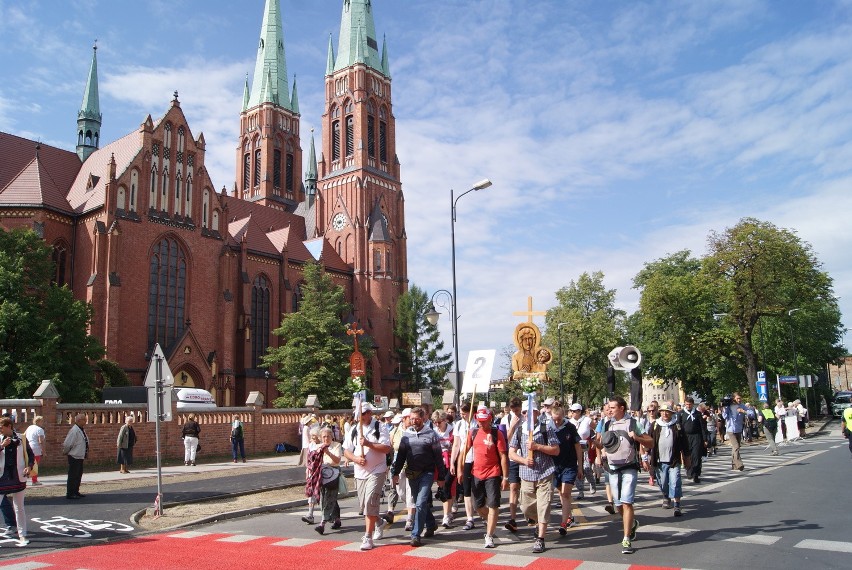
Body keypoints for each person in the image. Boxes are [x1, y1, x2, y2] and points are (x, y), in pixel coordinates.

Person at [594, 395, 652, 555]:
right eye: (608, 407)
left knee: (627, 502)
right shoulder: (606, 423)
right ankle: (632, 524)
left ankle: (626, 538)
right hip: (612, 467)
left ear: (621, 408)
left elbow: (650, 442)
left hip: (629, 467)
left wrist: (638, 437)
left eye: (612, 407)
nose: (609, 410)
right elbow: (602, 444)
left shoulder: (633, 423)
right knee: (618, 504)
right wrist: (594, 442)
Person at [508, 398, 560, 554]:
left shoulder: (545, 428)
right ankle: (536, 522)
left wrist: (537, 446)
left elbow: (556, 450)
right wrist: (523, 460)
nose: (527, 415)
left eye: (531, 412)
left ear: (537, 413)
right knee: (526, 507)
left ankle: (540, 539)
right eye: (525, 412)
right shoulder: (519, 430)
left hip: (545, 473)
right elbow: (511, 452)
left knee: (543, 505)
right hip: (526, 475)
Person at [391, 407, 446, 547]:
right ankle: (431, 523)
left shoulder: (431, 434)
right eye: (412, 418)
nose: (414, 421)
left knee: (420, 503)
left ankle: (415, 534)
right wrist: (395, 473)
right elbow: (401, 456)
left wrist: (441, 476)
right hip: (412, 473)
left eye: (417, 418)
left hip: (427, 473)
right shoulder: (406, 435)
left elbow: (438, 456)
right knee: (419, 502)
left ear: (423, 419)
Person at [343, 402, 392, 551]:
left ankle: (368, 537)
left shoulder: (380, 427)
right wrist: (355, 459)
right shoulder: (353, 429)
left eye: (364, 413)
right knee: (365, 506)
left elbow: (386, 448)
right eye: (360, 414)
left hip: (377, 470)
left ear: (370, 413)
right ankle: (379, 522)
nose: (362, 416)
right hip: (360, 472)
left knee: (371, 500)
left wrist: (369, 444)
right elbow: (346, 450)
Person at [469, 406, 508, 548]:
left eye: (484, 421)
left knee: (493, 504)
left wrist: (505, 477)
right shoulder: (473, 432)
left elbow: (503, 456)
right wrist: (460, 469)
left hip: (493, 472)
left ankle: (489, 536)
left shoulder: (497, 433)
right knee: (477, 506)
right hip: (476, 473)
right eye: (479, 421)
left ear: (490, 419)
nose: (481, 423)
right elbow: (464, 450)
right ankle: (490, 519)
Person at [649, 403, 689, 516]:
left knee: (675, 482)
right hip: (659, 460)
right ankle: (666, 496)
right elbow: (648, 440)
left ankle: (677, 506)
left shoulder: (677, 425)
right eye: (663, 411)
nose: (665, 413)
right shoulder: (655, 425)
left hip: (674, 460)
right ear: (660, 412)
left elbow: (684, 443)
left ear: (672, 413)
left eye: (667, 412)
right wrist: (645, 456)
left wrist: (687, 457)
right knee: (663, 482)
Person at [0, 417, 33, 547]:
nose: (0, 430)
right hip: (2, 477)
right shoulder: (1, 439)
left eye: (1, 427)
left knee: (19, 507)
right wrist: (2, 446)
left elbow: (30, 454)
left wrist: (29, 467)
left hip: (18, 476)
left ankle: (22, 534)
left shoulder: (21, 438)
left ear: (9, 426)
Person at [551, 405, 582, 536]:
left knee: (565, 493)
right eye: (554, 419)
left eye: (559, 419)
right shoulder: (548, 428)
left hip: (569, 464)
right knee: (560, 492)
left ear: (563, 416)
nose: (557, 422)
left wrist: (580, 466)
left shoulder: (570, 427)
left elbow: (578, 447)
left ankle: (564, 523)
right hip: (555, 466)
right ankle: (569, 514)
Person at [385, 408, 415, 529]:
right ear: (404, 419)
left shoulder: (414, 431)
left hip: (413, 466)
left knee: (411, 493)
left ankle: (410, 519)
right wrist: (389, 465)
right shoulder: (395, 432)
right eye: (410, 418)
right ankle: (412, 508)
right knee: (401, 493)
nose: (412, 420)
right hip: (399, 466)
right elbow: (390, 449)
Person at [450, 402, 477, 531]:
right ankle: (469, 517)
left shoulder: (477, 423)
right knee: (466, 488)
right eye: (461, 413)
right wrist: (452, 462)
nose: (462, 415)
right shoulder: (459, 424)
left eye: (464, 413)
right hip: (464, 458)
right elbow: (456, 445)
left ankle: (482, 510)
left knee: (477, 487)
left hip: (478, 459)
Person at [314, 427, 343, 534]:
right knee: (326, 497)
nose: (326, 439)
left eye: (328, 436)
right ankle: (337, 519)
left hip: (333, 473)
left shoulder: (336, 445)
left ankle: (322, 523)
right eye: (324, 437)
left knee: (330, 496)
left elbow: (337, 460)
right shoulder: (318, 447)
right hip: (322, 474)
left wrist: (327, 452)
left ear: (332, 437)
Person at [501, 397, 523, 533]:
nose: (516, 413)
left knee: (528, 489)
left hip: (526, 457)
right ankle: (513, 518)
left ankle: (530, 514)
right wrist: (514, 425)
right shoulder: (506, 420)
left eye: (518, 410)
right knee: (514, 487)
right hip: (513, 457)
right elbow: (504, 440)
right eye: (514, 410)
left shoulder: (527, 418)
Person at [431, 409, 455, 527]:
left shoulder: (452, 431)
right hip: (438, 463)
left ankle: (446, 516)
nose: (437, 424)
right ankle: (449, 512)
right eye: (435, 422)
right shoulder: (434, 432)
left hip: (450, 463)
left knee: (447, 487)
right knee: (443, 488)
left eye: (439, 422)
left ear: (445, 420)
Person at [568, 402, 595, 498]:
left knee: (586, 467)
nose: (573, 413)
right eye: (571, 411)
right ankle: (580, 490)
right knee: (577, 468)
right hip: (574, 447)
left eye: (575, 411)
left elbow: (596, 430)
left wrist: (594, 441)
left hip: (585, 446)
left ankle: (592, 482)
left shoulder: (587, 420)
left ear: (579, 411)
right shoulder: (569, 422)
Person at [679, 397, 707, 484]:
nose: (688, 406)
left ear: (692, 404)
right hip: (685, 437)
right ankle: (689, 470)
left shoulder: (697, 414)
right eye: (687, 404)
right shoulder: (681, 414)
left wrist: (705, 439)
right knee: (687, 455)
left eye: (690, 404)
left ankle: (696, 474)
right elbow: (678, 426)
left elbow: (702, 427)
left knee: (696, 455)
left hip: (696, 436)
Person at [62, 413, 89, 500]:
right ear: (78, 420)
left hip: (80, 456)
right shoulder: (74, 430)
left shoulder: (81, 429)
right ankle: (70, 493)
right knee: (73, 475)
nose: (86, 421)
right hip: (74, 456)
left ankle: (76, 491)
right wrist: (66, 452)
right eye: (84, 419)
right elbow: (67, 443)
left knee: (78, 474)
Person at [302, 426, 322, 524]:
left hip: (321, 471)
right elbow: (308, 458)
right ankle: (310, 514)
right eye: (312, 436)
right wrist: (307, 469)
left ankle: (331, 516)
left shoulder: (322, 445)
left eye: (314, 436)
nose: (312, 438)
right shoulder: (311, 445)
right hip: (311, 471)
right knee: (311, 491)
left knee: (324, 494)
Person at [722, 393, 746, 471]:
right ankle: (739, 464)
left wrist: (743, 411)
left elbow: (751, 413)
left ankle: (734, 465)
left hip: (738, 429)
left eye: (740, 398)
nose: (739, 400)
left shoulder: (742, 406)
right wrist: (725, 408)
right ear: (733, 399)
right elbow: (724, 416)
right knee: (736, 447)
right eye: (737, 398)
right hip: (730, 429)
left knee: (736, 448)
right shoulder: (729, 406)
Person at [23, 416, 45, 486]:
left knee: (27, 463)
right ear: (38, 421)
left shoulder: (30, 427)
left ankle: (24, 479)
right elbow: (41, 441)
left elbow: (24, 435)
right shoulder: (40, 429)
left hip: (28, 447)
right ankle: (34, 481)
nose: (43, 423)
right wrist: (44, 451)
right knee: (35, 465)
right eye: (42, 421)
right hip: (36, 448)